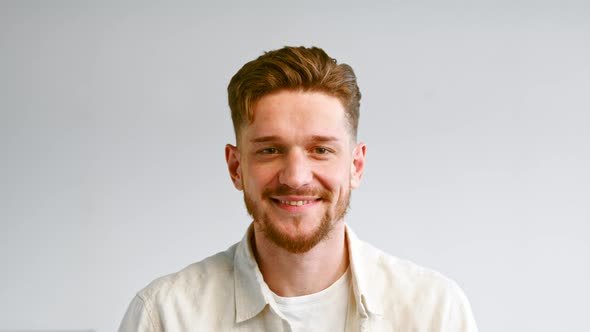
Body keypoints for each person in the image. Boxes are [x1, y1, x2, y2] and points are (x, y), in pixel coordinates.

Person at [118, 46, 478, 331]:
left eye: (321, 150)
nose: (295, 177)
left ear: (356, 166)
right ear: (236, 166)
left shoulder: (435, 312)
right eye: (270, 150)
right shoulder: (165, 317)